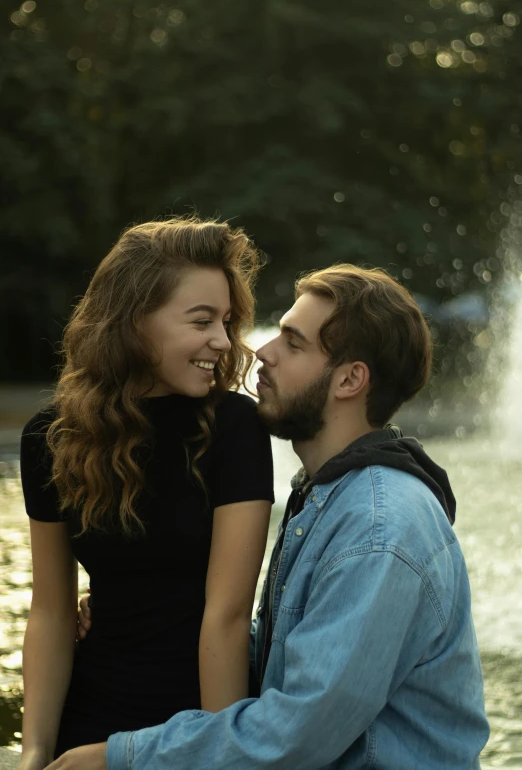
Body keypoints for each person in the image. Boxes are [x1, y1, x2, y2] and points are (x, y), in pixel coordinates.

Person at [44, 264, 490, 770]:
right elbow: (297, 659)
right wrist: (152, 610)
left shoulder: (377, 528)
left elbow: (295, 735)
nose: (262, 352)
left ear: (349, 379)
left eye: (293, 343)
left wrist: (120, 757)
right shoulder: (331, 496)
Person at [18, 217, 274, 770]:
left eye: (227, 321)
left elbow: (226, 615)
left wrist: (214, 751)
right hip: (85, 718)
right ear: (134, 322)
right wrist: (34, 752)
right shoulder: (51, 437)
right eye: (202, 320)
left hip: (194, 720)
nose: (224, 342)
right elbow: (52, 612)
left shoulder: (233, 427)